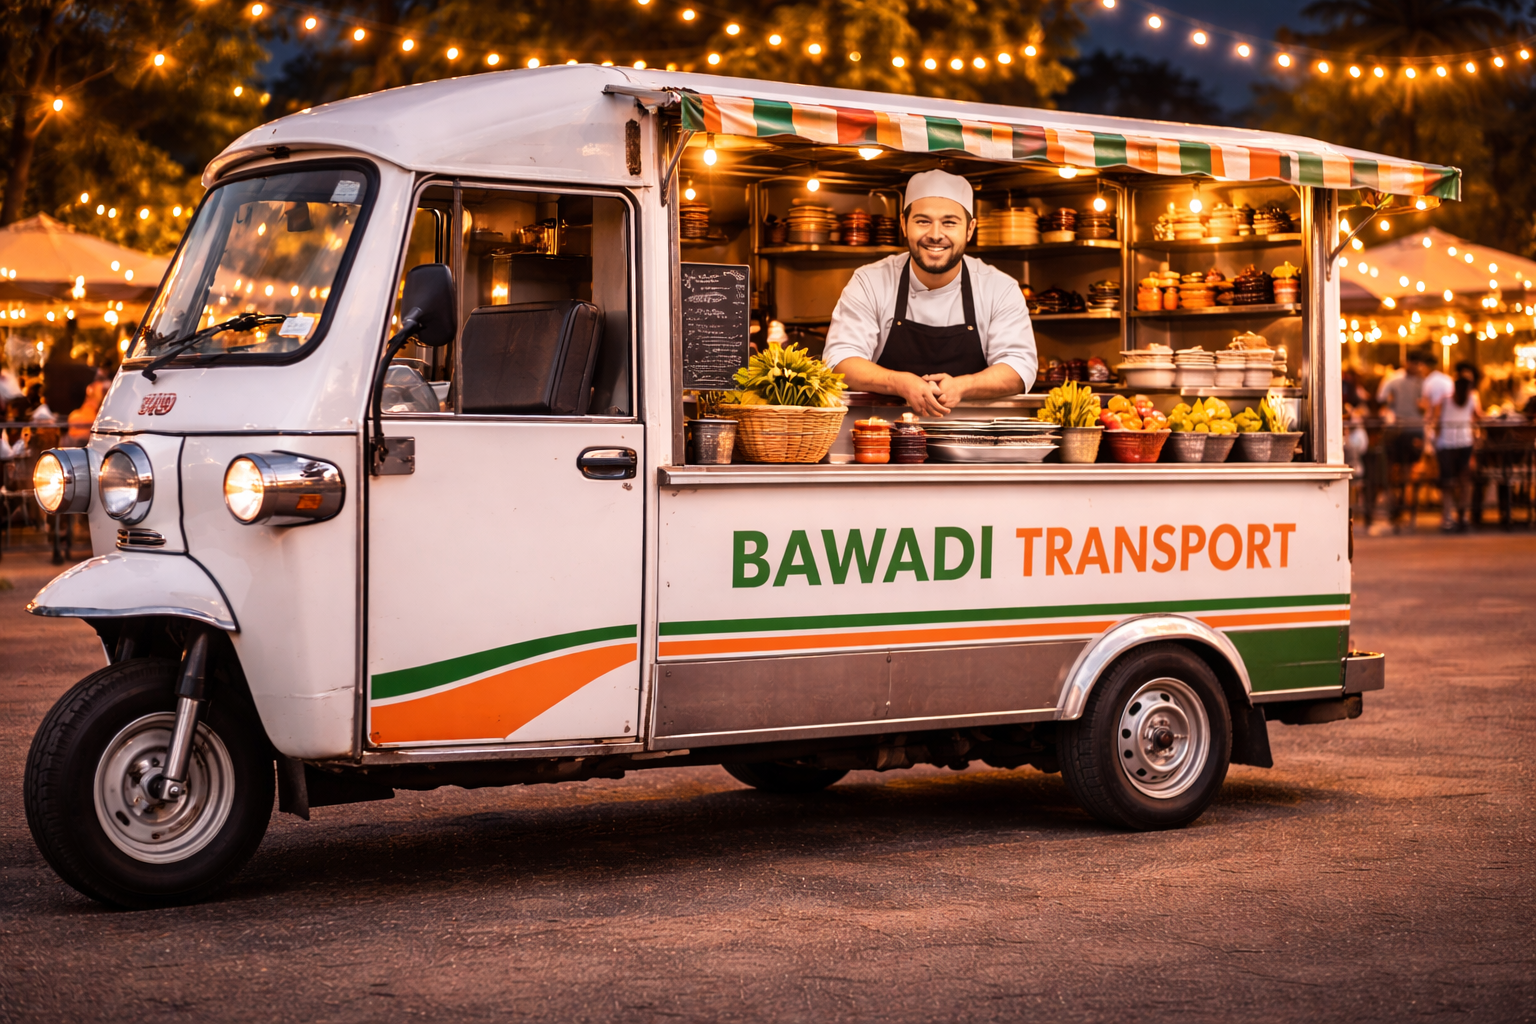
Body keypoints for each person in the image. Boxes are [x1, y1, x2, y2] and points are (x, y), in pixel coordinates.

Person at [822, 169, 1036, 417]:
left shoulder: (999, 287)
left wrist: (963, 386)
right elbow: (840, 360)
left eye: (949, 222)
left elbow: (1019, 366)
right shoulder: (870, 281)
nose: (935, 235)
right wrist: (899, 383)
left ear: (969, 229)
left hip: (971, 438)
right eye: (923, 221)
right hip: (882, 436)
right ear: (903, 224)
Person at [1376, 350, 1432, 527]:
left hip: (1412, 428)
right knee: (1395, 467)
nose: (1415, 366)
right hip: (1401, 429)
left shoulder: (1423, 382)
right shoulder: (1395, 379)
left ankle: (1404, 503)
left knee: (1406, 468)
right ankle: (1398, 502)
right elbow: (1381, 398)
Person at [1428, 365, 1482, 532]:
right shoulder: (1471, 398)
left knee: (1448, 482)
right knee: (1463, 481)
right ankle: (1462, 516)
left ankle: (1449, 517)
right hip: (1464, 442)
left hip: (1446, 444)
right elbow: (1479, 417)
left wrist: (1433, 441)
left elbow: (1434, 420)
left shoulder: (1445, 400)